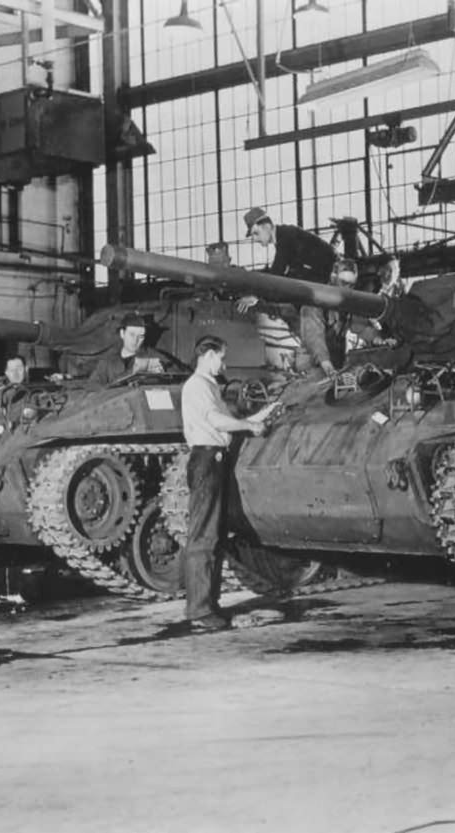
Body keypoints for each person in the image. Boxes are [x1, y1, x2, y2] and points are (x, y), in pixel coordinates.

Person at [179, 335, 272, 633]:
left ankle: (209, 604)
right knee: (204, 536)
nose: (224, 363)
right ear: (207, 355)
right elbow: (217, 422)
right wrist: (249, 425)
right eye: (221, 357)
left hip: (215, 460)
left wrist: (264, 415)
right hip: (206, 460)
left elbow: (226, 421)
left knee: (214, 536)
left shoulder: (209, 386)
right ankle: (200, 610)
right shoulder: (197, 386)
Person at [236, 206, 337, 314]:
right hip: (324, 278)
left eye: (256, 233)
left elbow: (276, 274)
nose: (255, 239)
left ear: (266, 226)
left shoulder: (285, 237)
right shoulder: (283, 236)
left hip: (331, 278)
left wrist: (256, 296)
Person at [298, 258, 384, 378]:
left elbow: (360, 326)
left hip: (336, 363)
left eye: (352, 285)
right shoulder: (314, 303)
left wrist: (378, 339)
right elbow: (315, 339)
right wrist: (328, 367)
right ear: (333, 279)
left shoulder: (347, 302)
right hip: (314, 366)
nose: (348, 288)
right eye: (344, 283)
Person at [89, 313, 161, 386]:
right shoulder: (107, 363)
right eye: (132, 335)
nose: (135, 340)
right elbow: (92, 385)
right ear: (122, 333)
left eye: (140, 336)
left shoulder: (153, 359)